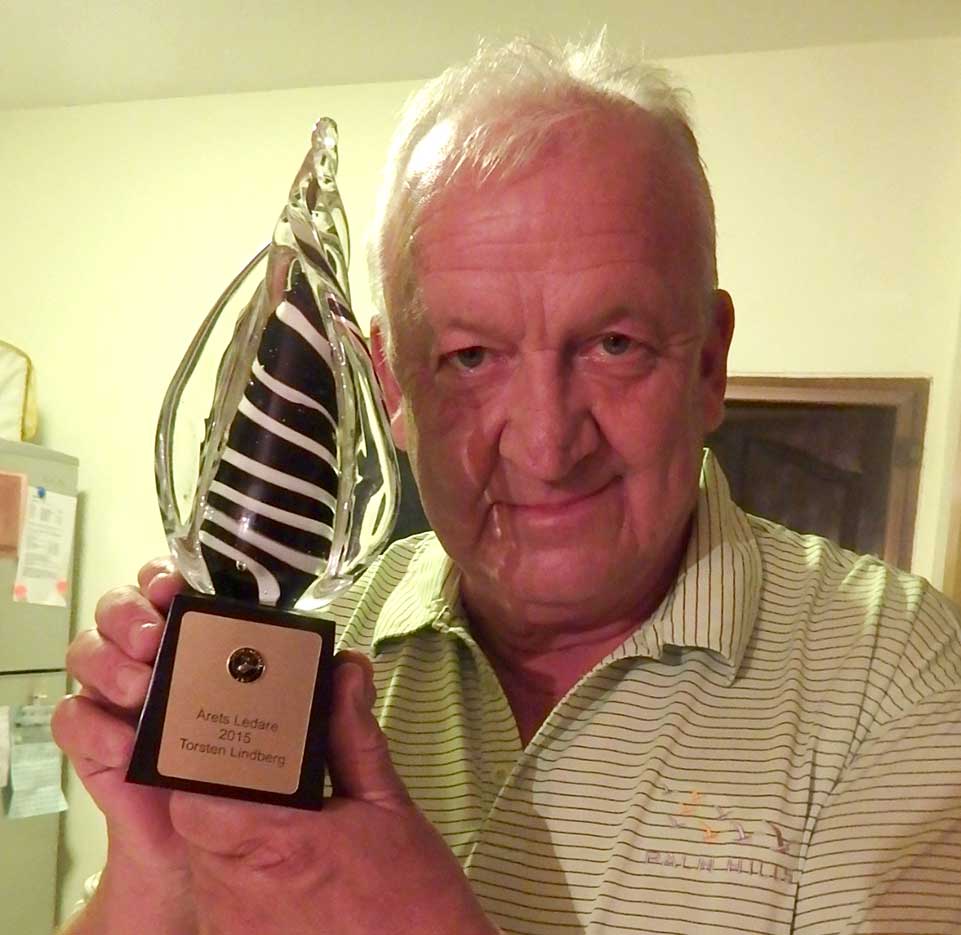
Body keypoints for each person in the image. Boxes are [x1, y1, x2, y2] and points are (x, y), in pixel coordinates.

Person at [53, 36, 961, 935]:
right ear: (392, 389)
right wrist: (156, 875)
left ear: (709, 364)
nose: (546, 444)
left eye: (614, 344)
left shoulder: (895, 675)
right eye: (470, 357)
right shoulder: (318, 634)